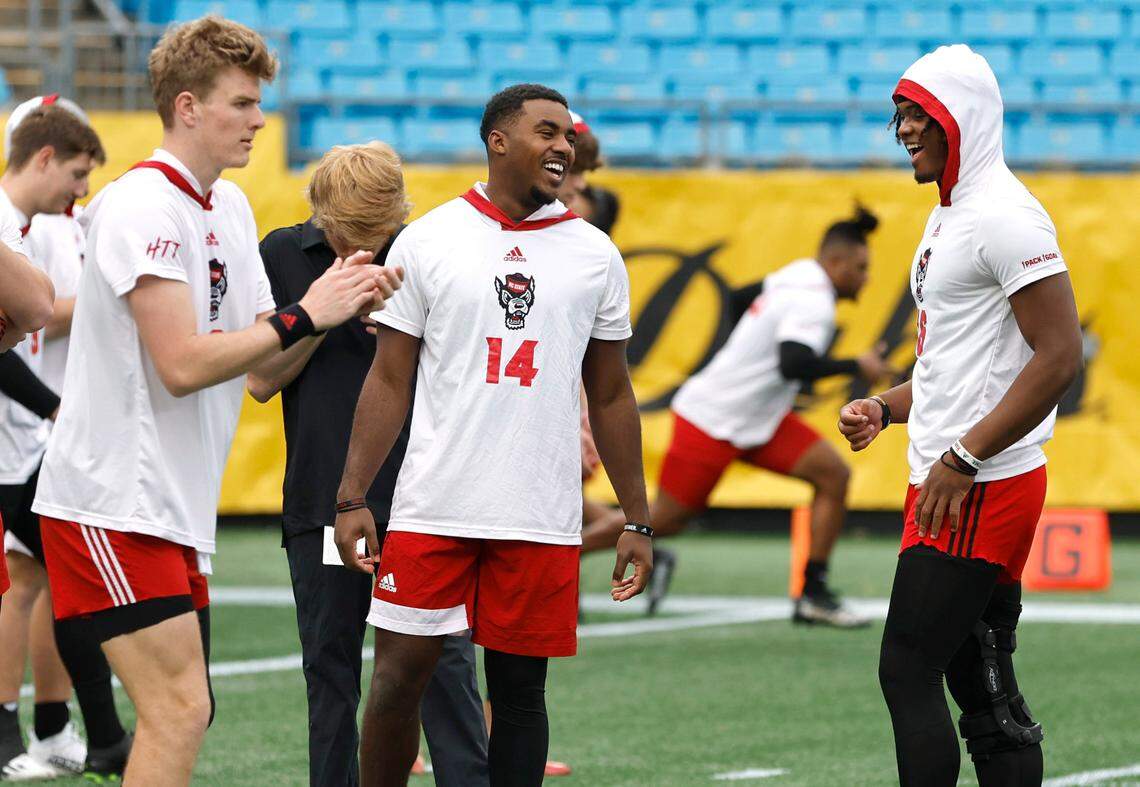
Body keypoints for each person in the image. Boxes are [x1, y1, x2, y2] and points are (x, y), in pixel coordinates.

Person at [29, 16, 401, 785]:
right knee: (179, 709)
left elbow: (263, 370)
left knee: (187, 709)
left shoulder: (225, 207)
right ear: (189, 107)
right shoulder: (141, 205)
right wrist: (309, 312)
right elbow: (180, 364)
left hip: (169, 505)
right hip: (112, 500)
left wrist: (343, 306)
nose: (260, 119)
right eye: (241, 103)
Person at [334, 83, 653, 787]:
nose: (563, 147)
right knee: (395, 682)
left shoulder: (596, 255)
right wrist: (352, 493)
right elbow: (388, 380)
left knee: (519, 696)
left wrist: (637, 516)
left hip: (537, 511)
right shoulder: (428, 239)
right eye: (546, 131)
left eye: (568, 136)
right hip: (433, 505)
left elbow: (609, 392)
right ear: (497, 139)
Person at [838, 44, 1082, 787]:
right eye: (901, 114)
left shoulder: (1005, 216)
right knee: (978, 681)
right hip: (958, 473)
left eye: (920, 114)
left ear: (963, 119)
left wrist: (964, 455)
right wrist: (886, 406)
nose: (905, 129)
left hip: (979, 479)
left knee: (907, 666)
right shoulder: (952, 213)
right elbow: (956, 365)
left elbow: (1059, 354)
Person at [251, 141, 489, 787]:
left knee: (445, 673)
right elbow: (261, 380)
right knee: (330, 676)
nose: (362, 248)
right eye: (346, 236)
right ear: (320, 211)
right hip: (325, 503)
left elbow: (462, 376)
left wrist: (399, 324)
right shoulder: (280, 252)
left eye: (375, 236)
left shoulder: (427, 253)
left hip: (423, 504)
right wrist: (324, 313)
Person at [580, 207, 894, 624]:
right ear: (835, 263)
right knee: (666, 520)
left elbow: (738, 297)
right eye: (860, 267)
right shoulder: (815, 300)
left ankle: (814, 593)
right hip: (715, 419)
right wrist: (858, 366)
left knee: (833, 475)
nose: (865, 278)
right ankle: (559, 557)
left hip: (758, 419)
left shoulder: (800, 272)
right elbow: (793, 363)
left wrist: (746, 357)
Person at [0, 97, 135, 781]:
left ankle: (56, 727)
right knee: (41, 576)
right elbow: (26, 327)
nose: (81, 191)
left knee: (42, 573)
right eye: (76, 173)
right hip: (20, 435)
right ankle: (83, 731)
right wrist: (56, 406)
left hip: (27, 434)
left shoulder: (33, 223)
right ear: (45, 156)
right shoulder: (15, 226)